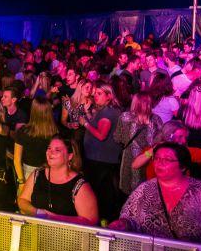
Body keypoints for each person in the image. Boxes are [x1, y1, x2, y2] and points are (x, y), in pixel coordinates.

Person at [112, 143, 201, 248]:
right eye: (157, 158)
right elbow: (130, 219)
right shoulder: (145, 189)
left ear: (182, 167)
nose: (159, 163)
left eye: (167, 160)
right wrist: (123, 224)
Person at [17, 137, 98, 224]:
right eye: (49, 148)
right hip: (36, 230)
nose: (50, 152)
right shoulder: (37, 174)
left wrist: (53, 218)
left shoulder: (79, 185)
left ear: (70, 156)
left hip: (66, 232)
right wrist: (37, 212)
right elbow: (22, 200)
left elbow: (91, 221)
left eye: (57, 150)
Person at [82, 82, 122, 221]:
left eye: (99, 94)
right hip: (100, 158)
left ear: (109, 96)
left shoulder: (108, 113)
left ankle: (99, 221)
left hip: (100, 160)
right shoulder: (107, 111)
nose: (95, 96)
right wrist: (88, 113)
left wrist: (85, 123)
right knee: (103, 193)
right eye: (95, 93)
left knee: (100, 194)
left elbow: (101, 135)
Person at [114, 92, 162, 195]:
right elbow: (160, 140)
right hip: (149, 158)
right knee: (147, 192)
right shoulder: (156, 119)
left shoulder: (125, 117)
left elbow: (117, 138)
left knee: (128, 190)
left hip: (129, 159)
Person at [14, 98, 59, 190]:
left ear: (33, 112)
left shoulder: (23, 131)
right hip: (50, 171)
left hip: (30, 172)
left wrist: (21, 181)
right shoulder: (56, 132)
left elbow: (17, 160)